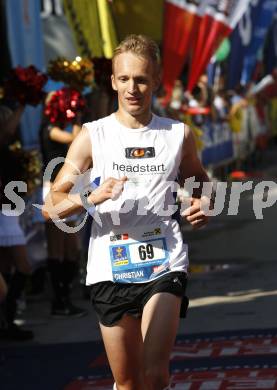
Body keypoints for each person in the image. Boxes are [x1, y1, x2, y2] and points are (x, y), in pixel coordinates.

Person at [43, 35, 211, 390]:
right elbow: (51, 205)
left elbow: (199, 182)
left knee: (154, 374)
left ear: (156, 81)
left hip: (165, 260)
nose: (132, 88)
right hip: (110, 265)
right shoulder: (93, 135)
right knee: (129, 381)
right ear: (113, 80)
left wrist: (202, 202)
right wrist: (90, 195)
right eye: (124, 79)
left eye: (141, 79)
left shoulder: (177, 134)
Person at [40, 100, 87, 318]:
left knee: (72, 250)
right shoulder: (49, 129)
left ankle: (65, 297)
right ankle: (58, 301)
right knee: (57, 249)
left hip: (66, 190)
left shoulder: (58, 127)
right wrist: (76, 118)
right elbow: (74, 140)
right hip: (52, 190)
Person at [0, 104, 34, 340]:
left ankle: (7, 323)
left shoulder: (6, 147)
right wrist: (22, 104)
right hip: (3, 212)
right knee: (23, 267)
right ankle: (8, 322)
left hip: (8, 210)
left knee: (7, 269)